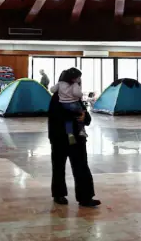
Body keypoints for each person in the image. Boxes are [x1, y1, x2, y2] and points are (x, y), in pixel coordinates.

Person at [48, 68, 100, 208]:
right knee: (58, 166)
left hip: (78, 138)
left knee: (82, 166)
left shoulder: (76, 98)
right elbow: (56, 117)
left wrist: (84, 117)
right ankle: (59, 194)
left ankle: (86, 197)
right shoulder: (56, 98)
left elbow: (86, 117)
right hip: (59, 138)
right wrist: (75, 116)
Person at [50, 71, 87, 144]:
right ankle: (81, 130)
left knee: (68, 120)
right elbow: (76, 93)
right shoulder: (74, 84)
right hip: (74, 104)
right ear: (73, 79)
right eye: (78, 77)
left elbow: (52, 90)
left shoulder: (60, 84)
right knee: (81, 115)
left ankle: (70, 134)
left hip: (64, 105)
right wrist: (81, 95)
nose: (80, 79)